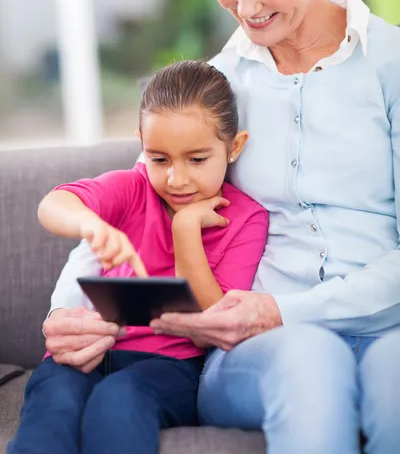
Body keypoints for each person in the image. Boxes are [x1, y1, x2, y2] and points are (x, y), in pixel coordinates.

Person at [36, 0, 400, 453]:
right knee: (310, 361)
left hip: (383, 325)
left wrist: (284, 311)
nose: (248, 5)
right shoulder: (219, 83)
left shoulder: (389, 67)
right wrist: (67, 310)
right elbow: (139, 198)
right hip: (253, 349)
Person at [8, 60, 269, 454]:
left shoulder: (246, 218)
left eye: (197, 160)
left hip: (172, 367)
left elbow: (215, 318)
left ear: (234, 146)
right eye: (159, 159)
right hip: (91, 350)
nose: (175, 179)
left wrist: (185, 231)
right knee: (53, 401)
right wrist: (90, 225)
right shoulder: (133, 188)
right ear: (142, 145)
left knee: (120, 399)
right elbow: (54, 204)